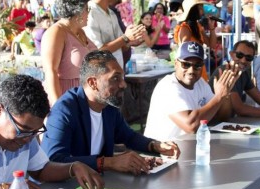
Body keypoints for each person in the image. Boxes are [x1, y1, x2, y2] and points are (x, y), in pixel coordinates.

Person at [42, 51, 180, 175]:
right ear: (93, 83)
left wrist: (155, 145)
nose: (123, 85)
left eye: (122, 78)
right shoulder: (64, 110)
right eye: (115, 78)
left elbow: (129, 136)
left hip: (100, 185)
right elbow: (54, 159)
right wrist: (109, 163)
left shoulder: (108, 106)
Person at [144, 41, 241, 140]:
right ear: (176, 64)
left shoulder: (200, 83)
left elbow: (222, 117)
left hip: (187, 147)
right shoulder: (167, 87)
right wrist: (219, 96)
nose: (191, 70)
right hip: (160, 151)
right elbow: (191, 126)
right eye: (186, 64)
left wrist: (225, 94)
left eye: (197, 65)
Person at [41, 0, 97, 106]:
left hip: (84, 99)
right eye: (87, 9)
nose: (89, 13)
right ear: (78, 10)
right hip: (67, 99)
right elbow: (51, 72)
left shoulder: (80, 32)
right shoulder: (56, 32)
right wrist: (58, 107)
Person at [84, 0, 146, 68]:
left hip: (116, 74)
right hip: (101, 78)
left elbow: (120, 46)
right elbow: (96, 53)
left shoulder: (111, 13)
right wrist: (125, 38)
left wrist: (130, 41)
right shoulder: (89, 13)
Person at [173, 0, 217, 79]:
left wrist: (212, 29)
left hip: (197, 66)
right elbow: (184, 51)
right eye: (200, 8)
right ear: (193, 10)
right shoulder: (185, 28)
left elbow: (212, 45)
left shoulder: (197, 26)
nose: (203, 11)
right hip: (189, 69)